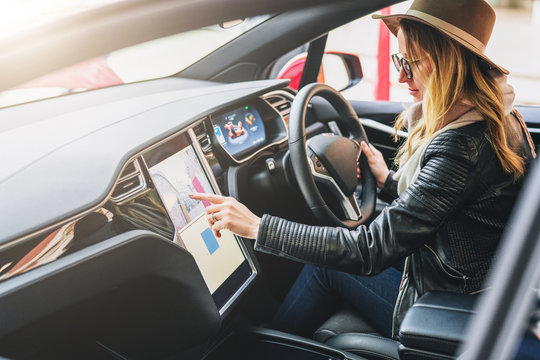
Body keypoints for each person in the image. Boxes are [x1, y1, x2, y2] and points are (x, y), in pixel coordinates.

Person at [190, 0, 536, 340]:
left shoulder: (461, 145)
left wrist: (257, 227)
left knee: (325, 267)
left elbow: (369, 250)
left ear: (446, 64)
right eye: (398, 60)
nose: (401, 76)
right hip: (469, 282)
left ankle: (266, 351)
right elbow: (444, 207)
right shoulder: (501, 116)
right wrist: (386, 182)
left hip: (446, 306)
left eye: (410, 63)